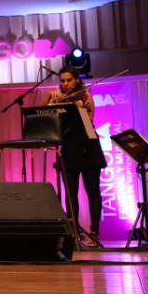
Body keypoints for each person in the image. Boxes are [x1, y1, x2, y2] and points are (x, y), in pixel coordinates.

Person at [47, 66, 105, 245]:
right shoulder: (58, 98)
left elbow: (89, 122)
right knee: (70, 193)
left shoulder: (86, 96)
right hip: (69, 147)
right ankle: (74, 233)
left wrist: (78, 110)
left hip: (88, 146)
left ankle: (94, 233)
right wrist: (50, 97)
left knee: (92, 190)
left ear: (77, 80)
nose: (65, 84)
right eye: (62, 81)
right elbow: (43, 114)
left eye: (69, 80)